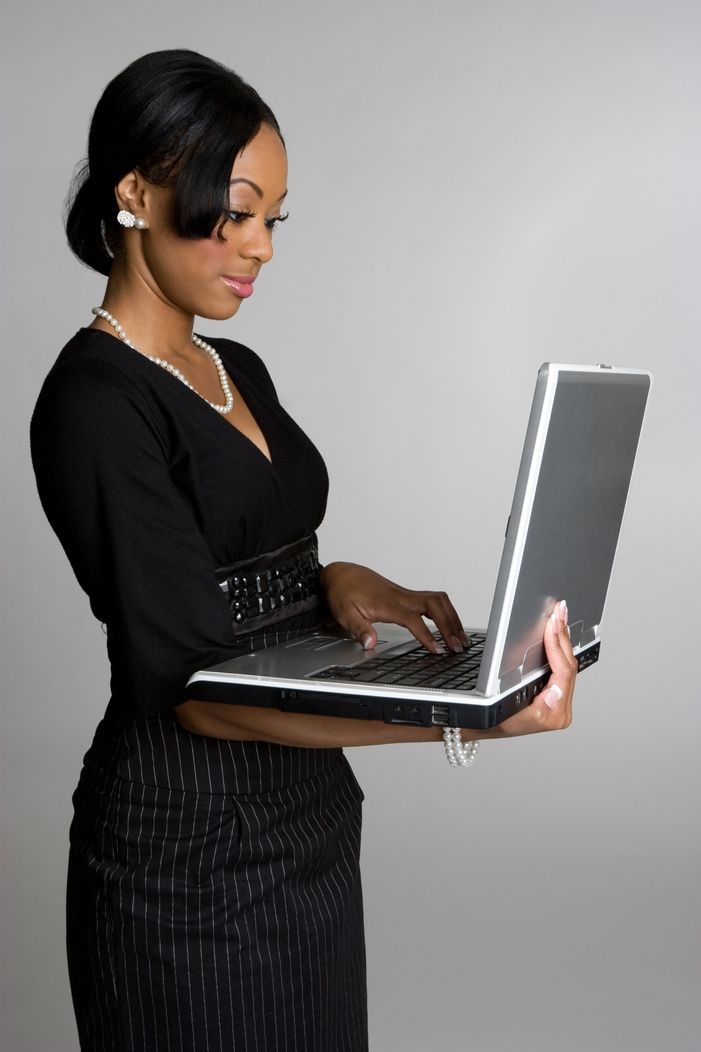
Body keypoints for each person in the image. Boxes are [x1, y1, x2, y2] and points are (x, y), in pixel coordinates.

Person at [30, 49, 577, 1052]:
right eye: (232, 211)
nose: (259, 247)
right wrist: (467, 718)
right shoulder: (95, 403)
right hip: (187, 853)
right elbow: (193, 682)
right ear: (136, 192)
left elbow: (233, 553)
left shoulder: (229, 362)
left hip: (309, 820)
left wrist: (331, 579)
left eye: (272, 218)